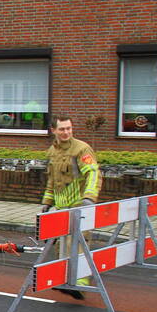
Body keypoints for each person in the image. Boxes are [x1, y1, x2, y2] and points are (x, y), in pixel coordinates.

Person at [40, 114, 101, 299]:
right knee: (62, 246)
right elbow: (52, 180)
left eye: (69, 128)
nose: (66, 132)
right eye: (62, 129)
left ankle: (79, 284)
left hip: (79, 206)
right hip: (61, 207)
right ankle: (64, 280)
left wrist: (89, 198)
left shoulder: (81, 149)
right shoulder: (52, 151)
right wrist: (47, 202)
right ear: (54, 130)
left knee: (78, 244)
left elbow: (93, 174)